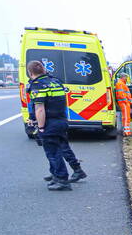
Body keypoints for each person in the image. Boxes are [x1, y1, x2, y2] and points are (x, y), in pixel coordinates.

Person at [27, 60, 87, 190]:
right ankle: (60, 173)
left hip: (50, 123)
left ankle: (61, 179)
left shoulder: (38, 85)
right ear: (43, 69)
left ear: (30, 73)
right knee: (62, 147)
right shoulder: (55, 81)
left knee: (53, 152)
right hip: (61, 120)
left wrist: (41, 127)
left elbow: (40, 108)